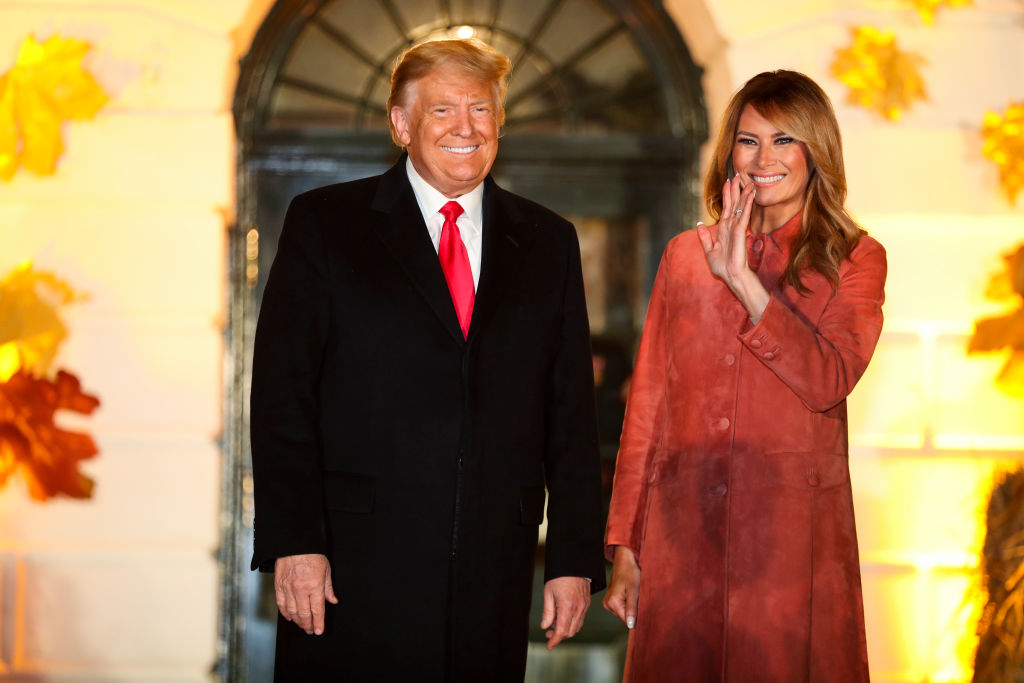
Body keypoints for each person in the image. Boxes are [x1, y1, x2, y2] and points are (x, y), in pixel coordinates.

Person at [249, 38, 606, 682]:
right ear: (401, 123)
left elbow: (570, 412)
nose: (465, 128)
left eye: (480, 109)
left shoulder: (549, 240)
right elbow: (282, 398)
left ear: (499, 122)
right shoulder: (326, 224)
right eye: (442, 110)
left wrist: (573, 558)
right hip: (349, 569)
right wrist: (295, 541)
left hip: (493, 571)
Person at [602, 70, 886, 682]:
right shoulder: (684, 254)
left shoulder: (856, 258)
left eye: (784, 140)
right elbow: (647, 405)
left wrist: (744, 282)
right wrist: (626, 544)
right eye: (749, 140)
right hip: (681, 542)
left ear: (816, 152)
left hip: (790, 550)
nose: (764, 158)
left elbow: (828, 378)